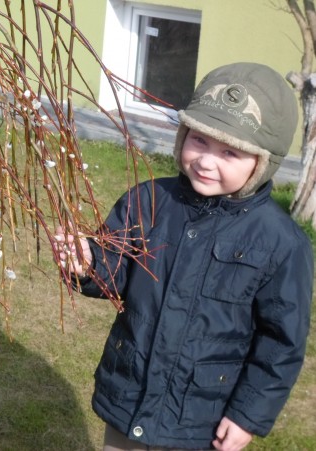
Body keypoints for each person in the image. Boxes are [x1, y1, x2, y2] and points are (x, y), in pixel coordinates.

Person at [54, 62, 314, 450]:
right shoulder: (149, 200)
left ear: (262, 163)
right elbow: (116, 267)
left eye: (230, 152)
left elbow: (281, 343)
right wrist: (88, 261)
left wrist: (246, 416)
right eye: (199, 141)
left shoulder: (281, 242)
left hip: (200, 420)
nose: (207, 161)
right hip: (131, 395)